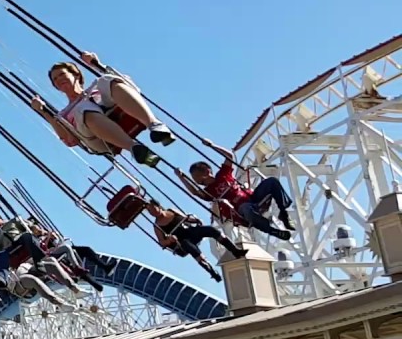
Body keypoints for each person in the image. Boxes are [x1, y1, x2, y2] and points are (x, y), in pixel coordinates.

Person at [31, 53, 168, 167]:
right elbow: (69, 139)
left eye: (61, 74)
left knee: (105, 79)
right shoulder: (64, 114)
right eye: (55, 79)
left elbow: (131, 86)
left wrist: (97, 64)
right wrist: (44, 111)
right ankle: (134, 148)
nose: (58, 79)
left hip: (116, 109)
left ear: (76, 75)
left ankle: (154, 124)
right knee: (81, 108)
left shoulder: (96, 87)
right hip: (96, 138)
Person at [174, 137, 294, 240]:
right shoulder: (209, 192)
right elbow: (195, 192)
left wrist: (212, 146)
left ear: (206, 171)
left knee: (272, 181)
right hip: (240, 211)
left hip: (253, 199)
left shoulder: (223, 175)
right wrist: (181, 177)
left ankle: (283, 213)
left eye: (195, 176)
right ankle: (272, 231)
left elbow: (229, 156)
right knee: (246, 208)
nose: (195, 181)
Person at [0, 208, 78, 291]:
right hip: (12, 252)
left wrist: (44, 233)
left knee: (26, 236)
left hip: (22, 242)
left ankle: (39, 263)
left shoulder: (13, 222)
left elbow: (34, 229)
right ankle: (2, 279)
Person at [146, 200, 246, 281]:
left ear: (158, 205)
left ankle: (235, 251)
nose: (152, 212)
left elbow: (186, 218)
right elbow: (162, 242)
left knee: (212, 230)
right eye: (150, 212)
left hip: (190, 231)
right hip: (182, 241)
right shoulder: (157, 226)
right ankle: (212, 272)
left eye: (152, 209)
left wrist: (195, 220)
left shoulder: (171, 210)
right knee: (190, 248)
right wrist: (170, 240)